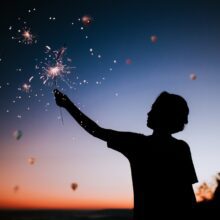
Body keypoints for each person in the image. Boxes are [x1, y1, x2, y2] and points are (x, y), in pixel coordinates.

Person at [54, 89, 198, 219]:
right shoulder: (181, 148)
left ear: (164, 115)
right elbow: (188, 195)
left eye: (153, 109)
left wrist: (67, 105)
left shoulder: (138, 144)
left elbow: (96, 131)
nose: (148, 113)